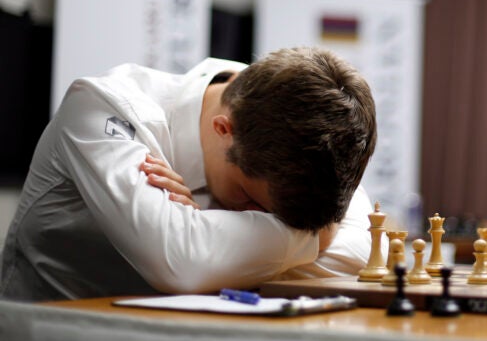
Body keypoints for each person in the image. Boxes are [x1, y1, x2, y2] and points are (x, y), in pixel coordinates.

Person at [0, 47, 377, 301]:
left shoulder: (301, 125)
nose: (256, 215)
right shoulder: (102, 106)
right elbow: (182, 264)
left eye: (275, 216)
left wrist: (205, 232)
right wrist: (318, 239)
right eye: (250, 201)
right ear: (223, 128)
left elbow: (359, 253)